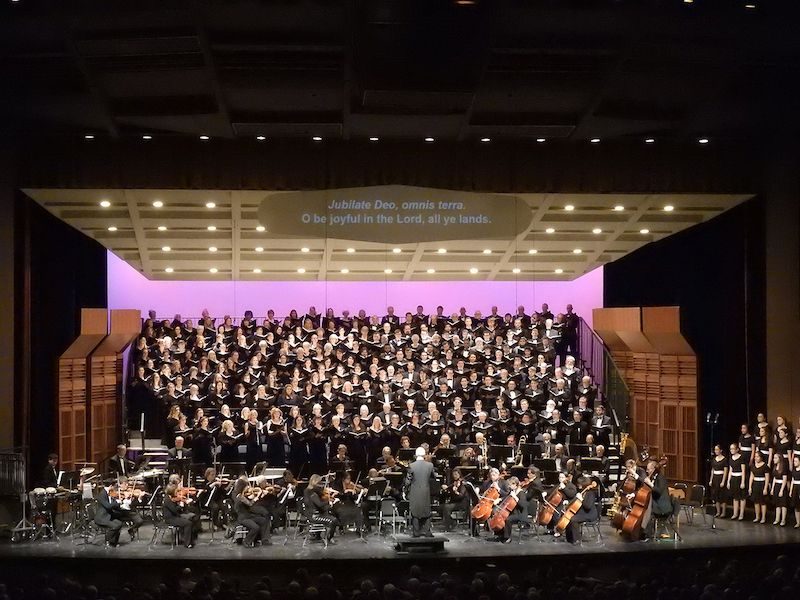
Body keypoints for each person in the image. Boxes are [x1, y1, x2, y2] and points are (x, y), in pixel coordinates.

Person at [404, 446, 436, 537]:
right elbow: (434, 477)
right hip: (425, 490)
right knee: (426, 510)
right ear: (424, 455)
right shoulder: (430, 465)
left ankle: (416, 532)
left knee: (415, 511)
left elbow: (408, 481)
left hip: (415, 490)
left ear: (416, 455)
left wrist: (405, 491)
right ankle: (427, 532)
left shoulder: (412, 465)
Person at [232, 477, 271, 547]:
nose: (247, 488)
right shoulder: (239, 496)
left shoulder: (241, 496)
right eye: (246, 486)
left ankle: (264, 539)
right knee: (255, 527)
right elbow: (250, 504)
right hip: (243, 518)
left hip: (248, 516)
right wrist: (256, 498)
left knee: (264, 521)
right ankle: (247, 541)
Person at [303, 473, 339, 544]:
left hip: (318, 513)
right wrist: (329, 502)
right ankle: (327, 538)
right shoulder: (311, 494)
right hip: (314, 515)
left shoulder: (315, 493)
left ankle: (328, 537)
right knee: (332, 520)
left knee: (333, 518)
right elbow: (319, 504)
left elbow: (320, 504)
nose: (321, 486)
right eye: (319, 483)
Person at [562, 475, 598, 544]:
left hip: (590, 514)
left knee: (574, 519)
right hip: (584, 512)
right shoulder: (584, 491)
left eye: (579, 484)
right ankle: (570, 538)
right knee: (569, 517)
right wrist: (568, 503)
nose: (578, 485)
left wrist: (581, 499)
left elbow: (588, 506)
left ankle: (577, 539)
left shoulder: (591, 493)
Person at [163, 481, 198, 548]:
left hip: (175, 516)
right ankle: (187, 543)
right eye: (176, 492)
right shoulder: (167, 500)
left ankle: (186, 538)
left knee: (191, 517)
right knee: (188, 523)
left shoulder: (171, 498)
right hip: (170, 519)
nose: (177, 493)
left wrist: (183, 504)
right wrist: (180, 506)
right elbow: (174, 510)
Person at [94, 482, 125, 547]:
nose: (115, 488)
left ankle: (113, 542)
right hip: (101, 517)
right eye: (114, 486)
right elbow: (108, 506)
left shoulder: (107, 493)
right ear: (111, 486)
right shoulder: (102, 494)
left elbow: (111, 504)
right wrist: (116, 502)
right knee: (115, 526)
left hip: (107, 515)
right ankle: (107, 540)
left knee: (119, 523)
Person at [726, 442, 747, 521]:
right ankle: (735, 513)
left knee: (741, 497)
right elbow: (730, 470)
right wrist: (728, 481)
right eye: (730, 449)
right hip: (733, 478)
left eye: (733, 449)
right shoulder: (731, 458)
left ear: (737, 449)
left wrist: (743, 482)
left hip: (739, 478)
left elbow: (743, 471)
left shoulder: (741, 458)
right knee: (735, 497)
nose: (731, 450)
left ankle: (741, 514)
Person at [749, 451, 770, 524]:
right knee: (756, 502)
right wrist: (750, 487)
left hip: (762, 484)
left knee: (763, 502)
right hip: (755, 484)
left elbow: (767, 478)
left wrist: (765, 488)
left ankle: (763, 517)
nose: (756, 458)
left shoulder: (765, 466)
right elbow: (751, 476)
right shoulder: (753, 466)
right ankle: (757, 517)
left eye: (757, 456)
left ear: (761, 457)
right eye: (755, 457)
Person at [709, 444, 729, 518]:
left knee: (722, 496)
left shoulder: (724, 460)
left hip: (721, 477)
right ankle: (718, 512)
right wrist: (711, 480)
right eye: (715, 450)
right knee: (716, 496)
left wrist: (723, 481)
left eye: (717, 450)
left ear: (721, 450)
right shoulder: (714, 459)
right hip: (715, 478)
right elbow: (712, 470)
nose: (716, 451)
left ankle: (723, 512)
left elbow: (725, 471)